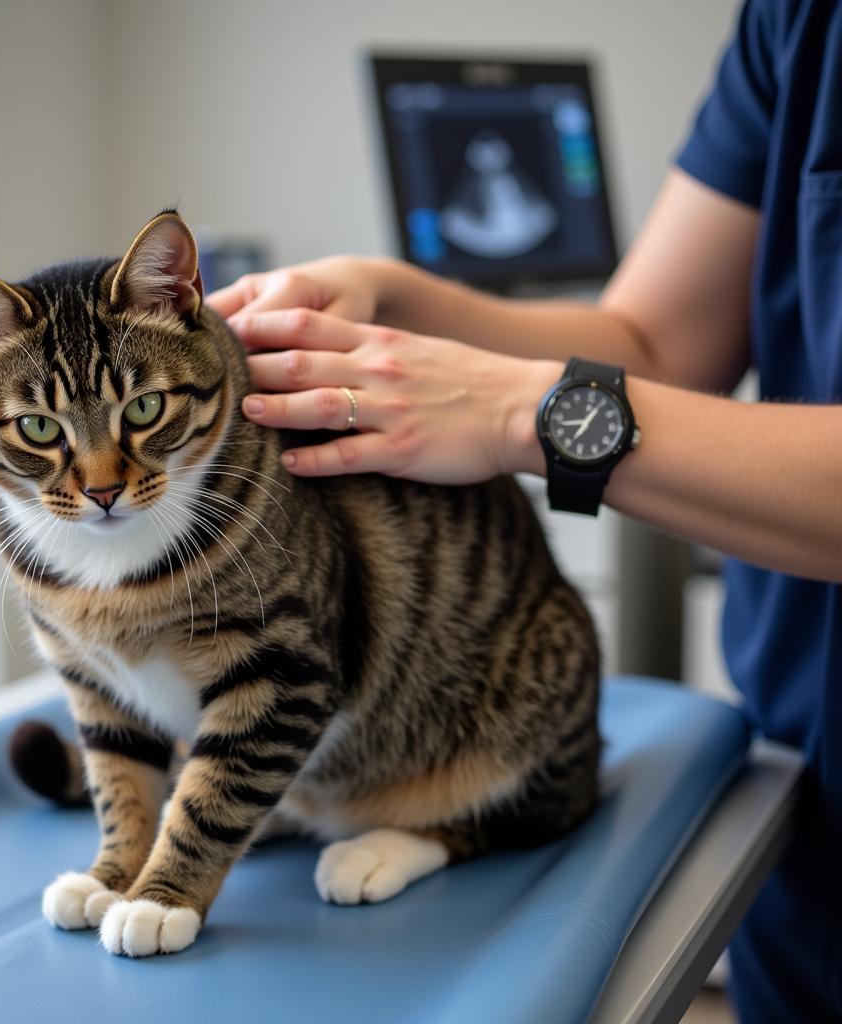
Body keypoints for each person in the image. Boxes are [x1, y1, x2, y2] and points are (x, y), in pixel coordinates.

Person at [207, 1, 842, 1019]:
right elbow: (655, 338)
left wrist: (522, 411)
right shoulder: (795, 25)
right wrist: (389, 291)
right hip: (804, 783)